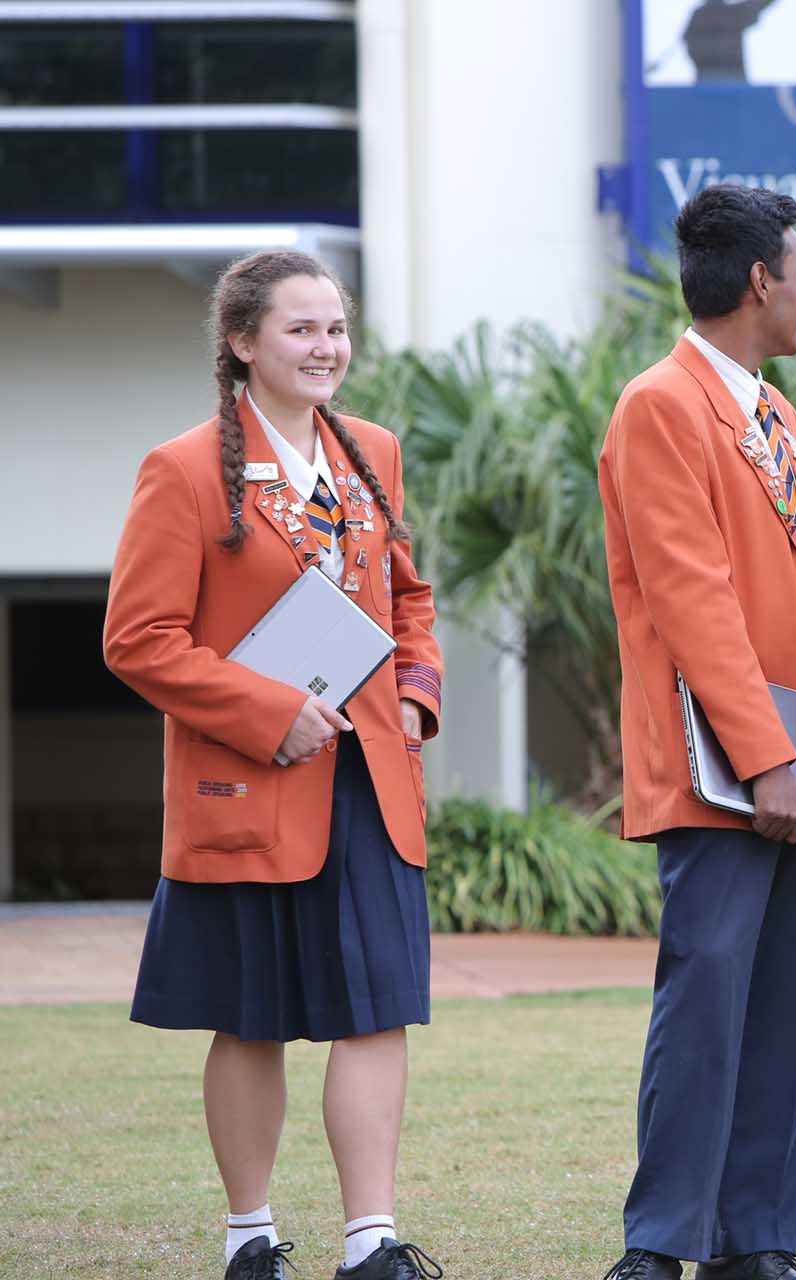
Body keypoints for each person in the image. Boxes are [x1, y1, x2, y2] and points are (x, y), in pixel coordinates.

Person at [101, 250, 446, 1280]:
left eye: (335, 328)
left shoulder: (371, 449)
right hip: (248, 783)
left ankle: (370, 1242)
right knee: (250, 1015)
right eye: (300, 329)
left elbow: (410, 598)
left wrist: (419, 697)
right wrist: (269, 711)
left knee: (377, 1006)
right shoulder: (182, 468)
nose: (324, 347)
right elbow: (139, 637)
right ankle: (251, 1236)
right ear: (242, 342)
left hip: (370, 782)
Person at [595, 184, 796, 1280]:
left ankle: (758, 1238)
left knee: (782, 1011)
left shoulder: (774, 411)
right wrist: (766, 757)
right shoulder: (659, 405)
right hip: (726, 769)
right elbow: (692, 597)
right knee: (707, 996)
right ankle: (660, 1243)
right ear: (761, 281)